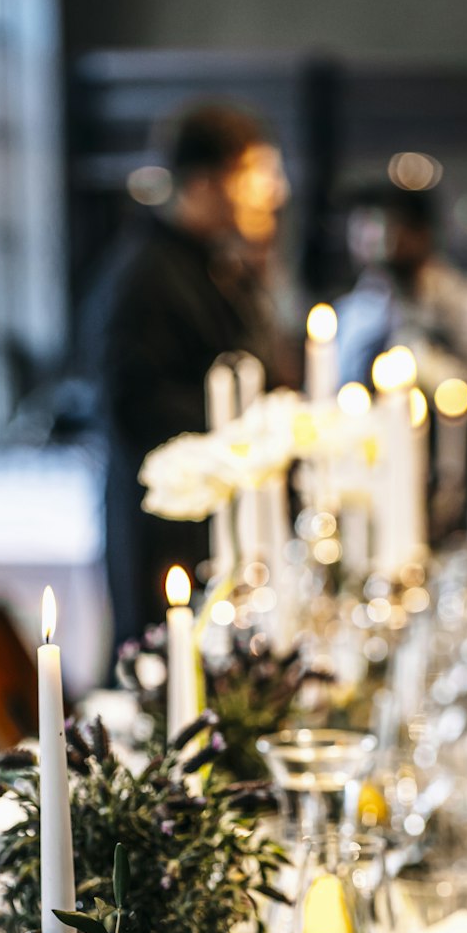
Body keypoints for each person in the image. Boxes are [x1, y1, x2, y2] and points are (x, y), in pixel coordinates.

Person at [94, 102, 288, 652]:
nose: (269, 192)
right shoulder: (145, 275)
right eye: (252, 176)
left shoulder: (215, 262)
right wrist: (250, 429)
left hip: (215, 520)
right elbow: (133, 406)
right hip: (168, 531)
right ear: (204, 183)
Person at [336, 184, 467, 503]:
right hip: (376, 491)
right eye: (361, 227)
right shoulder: (352, 318)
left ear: (421, 232)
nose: (370, 240)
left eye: (382, 224)